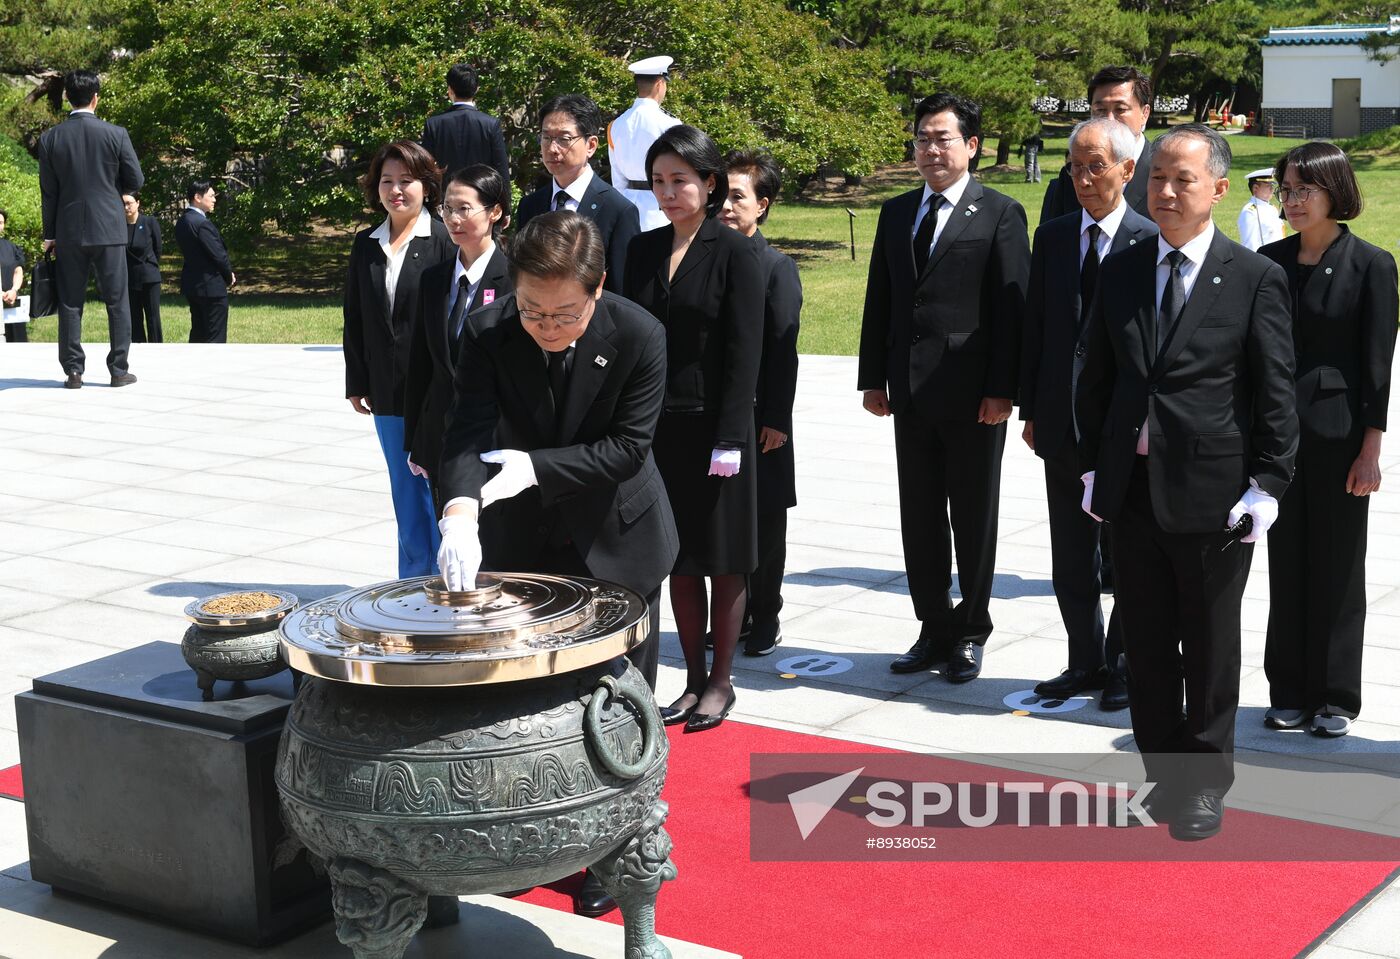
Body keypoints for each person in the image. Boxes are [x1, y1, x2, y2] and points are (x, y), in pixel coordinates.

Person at [432, 211, 679, 919]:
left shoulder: (639, 335)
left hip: (616, 538)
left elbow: (629, 447)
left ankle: (617, 844)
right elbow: (465, 431)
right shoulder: (486, 330)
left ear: (597, 290)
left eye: (562, 312)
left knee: (618, 701)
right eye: (531, 308)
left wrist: (537, 468)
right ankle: (529, 836)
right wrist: (459, 511)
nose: (544, 324)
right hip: (523, 542)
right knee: (527, 701)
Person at [1076, 125, 1298, 841]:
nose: (1165, 193)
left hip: (1215, 498)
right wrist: (1090, 463)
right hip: (1132, 489)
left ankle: (1204, 783)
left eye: (1183, 181)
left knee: (1207, 646)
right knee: (1142, 642)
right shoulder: (1122, 267)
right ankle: (1160, 776)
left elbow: (1274, 395)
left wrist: (1267, 483)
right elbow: (1099, 377)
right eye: (1158, 179)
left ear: (1219, 189)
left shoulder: (1255, 276)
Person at [858, 92, 1030, 685]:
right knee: (921, 515)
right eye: (923, 139)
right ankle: (932, 625)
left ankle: (971, 629)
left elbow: (1013, 310)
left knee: (973, 516)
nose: (931, 149)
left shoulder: (1001, 213)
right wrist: (872, 377)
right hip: (908, 390)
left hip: (974, 394)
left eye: (943, 138)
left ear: (972, 146)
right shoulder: (896, 211)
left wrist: (1003, 388)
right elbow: (880, 297)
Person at [623, 125, 764, 731]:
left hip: (717, 427)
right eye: (658, 181)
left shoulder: (738, 253)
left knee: (724, 556)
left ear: (709, 183)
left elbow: (744, 352)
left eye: (680, 179)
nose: (669, 192)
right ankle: (692, 678)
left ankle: (723, 680)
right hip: (658, 426)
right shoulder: (641, 250)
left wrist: (733, 435)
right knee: (677, 557)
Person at [1258, 143, 1398, 738]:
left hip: (1341, 440)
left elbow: (1376, 368)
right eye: (1286, 189)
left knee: (1339, 568)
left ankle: (1336, 696)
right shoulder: (1267, 262)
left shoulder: (1372, 264)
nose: (1292, 200)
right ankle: (1287, 689)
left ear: (1334, 191)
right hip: (1276, 438)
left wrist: (1371, 448)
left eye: (1303, 189)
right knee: (1285, 565)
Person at [1020, 118, 1156, 710]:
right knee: (1070, 554)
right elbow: (1037, 328)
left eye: (1095, 166)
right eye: (1073, 167)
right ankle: (1085, 660)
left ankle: (1125, 663)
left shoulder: (1152, 240)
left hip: (1125, 428)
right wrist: (1032, 407)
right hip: (1061, 423)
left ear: (1127, 170)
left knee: (1127, 556)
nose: (1082, 178)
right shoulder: (1051, 238)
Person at [343, 140, 455, 577]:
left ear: (425, 186)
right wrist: (357, 380)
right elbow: (356, 316)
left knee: (438, 491)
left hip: (435, 391)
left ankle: (451, 580)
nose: (396, 190)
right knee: (404, 493)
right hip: (387, 393)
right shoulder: (365, 245)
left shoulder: (445, 241)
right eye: (387, 181)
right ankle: (412, 583)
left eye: (405, 181)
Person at [719, 149, 801, 657]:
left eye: (738, 197)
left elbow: (781, 351)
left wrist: (775, 418)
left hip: (761, 420)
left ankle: (765, 615)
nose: (726, 206)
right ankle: (734, 616)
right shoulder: (706, 257)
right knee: (725, 524)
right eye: (721, 195)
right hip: (717, 417)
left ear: (763, 205)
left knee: (766, 523)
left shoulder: (776, 267)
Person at [404, 164, 513, 512]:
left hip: (495, 440)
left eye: (464, 209)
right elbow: (421, 364)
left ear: (495, 211)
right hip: (442, 437)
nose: (453, 218)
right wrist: (416, 440)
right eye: (447, 209)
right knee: (449, 539)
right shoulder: (434, 279)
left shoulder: (515, 279)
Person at [37, 69, 143, 388]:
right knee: (116, 300)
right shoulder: (116, 134)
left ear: (66, 97)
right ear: (96, 98)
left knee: (71, 301)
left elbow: (49, 192)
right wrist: (121, 190)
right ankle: (118, 369)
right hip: (109, 227)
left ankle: (73, 370)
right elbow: (135, 179)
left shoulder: (50, 138)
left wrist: (50, 234)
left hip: (68, 229)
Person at [516, 93, 640, 293]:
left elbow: (623, 290)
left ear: (591, 145)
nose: (552, 148)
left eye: (564, 139)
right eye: (546, 138)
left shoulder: (618, 211)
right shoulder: (530, 205)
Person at [1041, 66, 1155, 222]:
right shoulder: (1069, 178)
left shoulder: (1162, 174)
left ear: (1144, 114)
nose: (1109, 119)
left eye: (1120, 109)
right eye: (1100, 110)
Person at [608, 56, 680, 231]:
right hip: (660, 207)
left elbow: (617, 178)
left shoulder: (615, 125)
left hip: (627, 204)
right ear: (660, 84)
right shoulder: (670, 125)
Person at [421, 63, 510, 186]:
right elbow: (502, 171)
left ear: (450, 90)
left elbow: (425, 169)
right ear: (477, 89)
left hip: (446, 199)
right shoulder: (491, 124)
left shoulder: (433, 125)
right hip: (480, 198)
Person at [175, 180, 235, 343]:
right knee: (215, 336)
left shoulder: (182, 221)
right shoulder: (201, 223)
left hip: (193, 286)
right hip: (211, 287)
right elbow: (218, 255)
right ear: (197, 197)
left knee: (198, 333)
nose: (215, 199)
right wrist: (228, 275)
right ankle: (213, 366)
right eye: (211, 196)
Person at [123, 194, 162, 343]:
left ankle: (157, 348)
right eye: (123, 204)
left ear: (138, 203)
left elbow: (158, 249)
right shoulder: (120, 225)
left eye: (129, 203)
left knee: (152, 316)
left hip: (149, 277)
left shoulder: (149, 222)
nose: (126, 207)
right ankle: (138, 347)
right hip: (130, 278)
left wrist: (150, 265)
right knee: (134, 317)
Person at [1237, 168, 1284, 252]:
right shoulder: (1250, 212)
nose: (1272, 189)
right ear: (1255, 188)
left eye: (1272, 185)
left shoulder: (1272, 208)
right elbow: (1250, 245)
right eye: (1268, 186)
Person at [0, 210, 27, 343]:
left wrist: (14, 290)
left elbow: (18, 271)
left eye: (0, 223)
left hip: (11, 302)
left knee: (17, 346)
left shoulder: (11, 247)